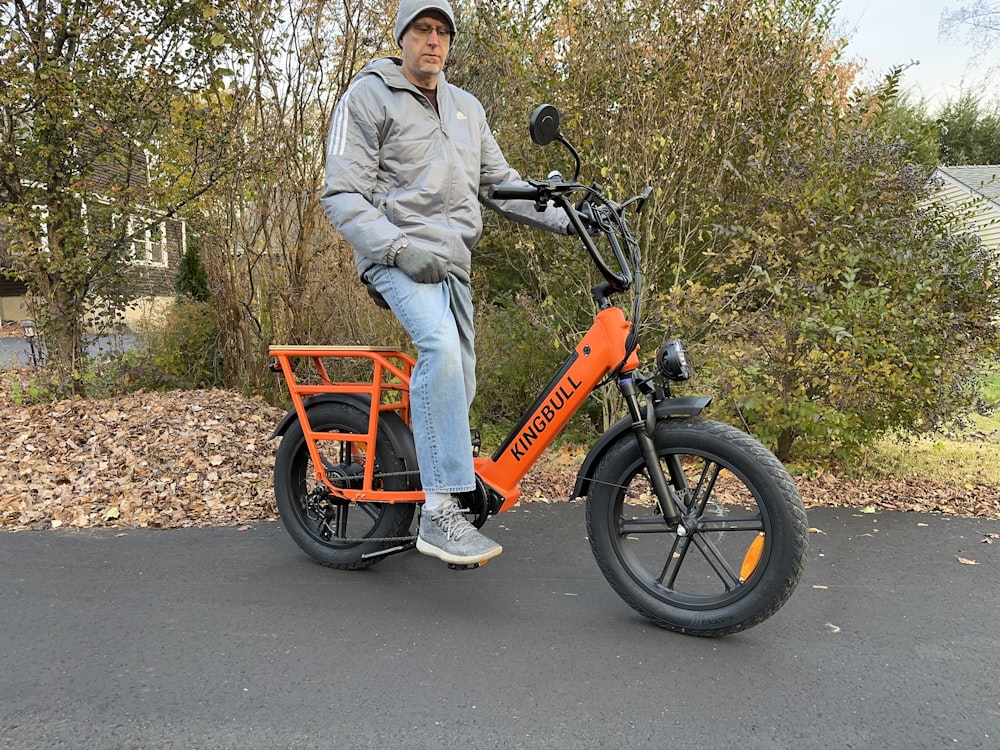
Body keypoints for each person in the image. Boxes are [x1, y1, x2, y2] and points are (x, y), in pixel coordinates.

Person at [321, 0, 570, 567]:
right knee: (438, 347)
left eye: (442, 32)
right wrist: (399, 249)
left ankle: (420, 470)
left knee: (461, 377)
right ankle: (439, 513)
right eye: (422, 30)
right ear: (402, 37)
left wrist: (568, 216)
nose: (433, 41)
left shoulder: (466, 108)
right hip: (395, 255)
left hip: (453, 261)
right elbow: (341, 193)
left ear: (450, 43)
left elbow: (500, 183)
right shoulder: (369, 96)